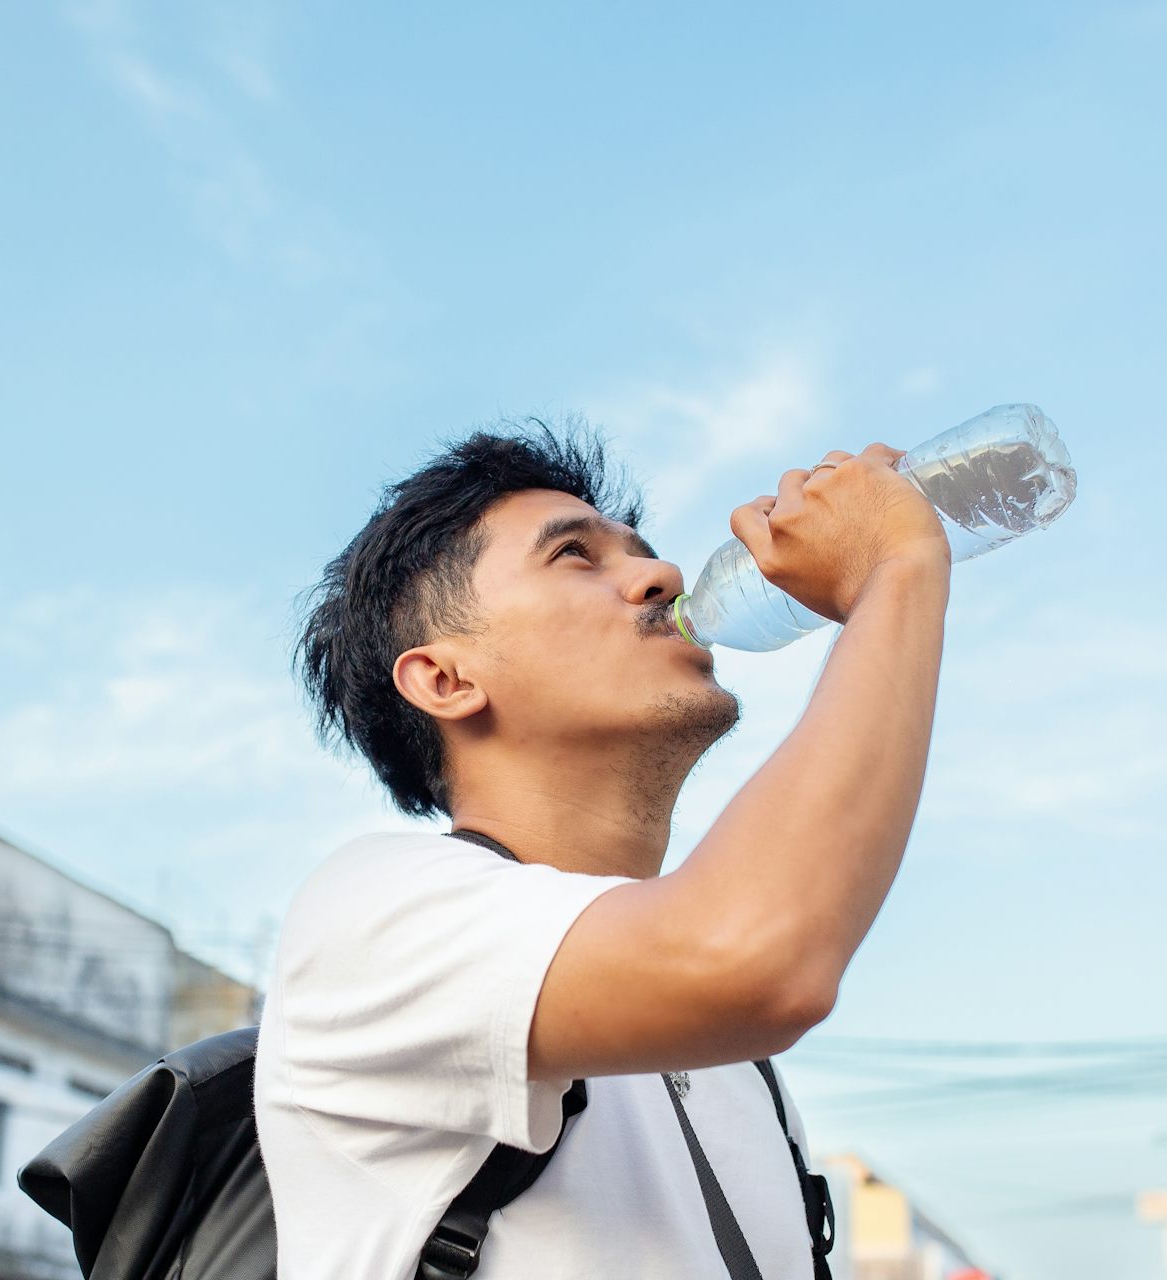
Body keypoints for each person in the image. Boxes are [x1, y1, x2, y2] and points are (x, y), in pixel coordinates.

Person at [255, 422, 952, 1278]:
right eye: (575, 558)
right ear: (445, 679)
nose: (661, 576)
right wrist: (898, 573)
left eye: (643, 552)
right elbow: (757, 958)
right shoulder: (371, 910)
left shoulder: (733, 1060)